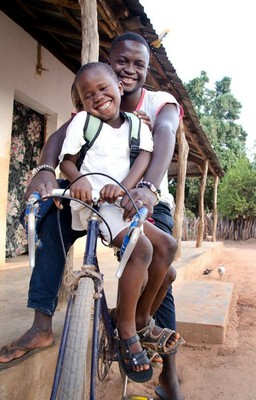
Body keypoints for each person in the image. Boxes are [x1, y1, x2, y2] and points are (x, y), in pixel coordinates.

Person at [0, 32, 184, 399]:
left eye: (138, 65)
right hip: (93, 193)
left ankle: (166, 368)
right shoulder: (92, 101)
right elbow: (61, 140)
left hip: (144, 196)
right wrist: (45, 169)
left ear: (145, 72)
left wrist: (146, 187)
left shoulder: (158, 103)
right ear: (110, 63)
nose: (129, 70)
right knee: (50, 223)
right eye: (122, 61)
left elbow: (163, 137)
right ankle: (41, 324)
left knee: (162, 259)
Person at [58, 61, 179, 382]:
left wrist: (126, 185)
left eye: (102, 88)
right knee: (141, 249)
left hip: (121, 203)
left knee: (168, 249)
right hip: (96, 205)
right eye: (87, 95)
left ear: (120, 88)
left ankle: (140, 317)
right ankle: (127, 330)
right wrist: (79, 179)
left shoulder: (136, 125)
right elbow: (67, 161)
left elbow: (145, 156)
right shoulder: (83, 122)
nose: (97, 97)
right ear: (81, 104)